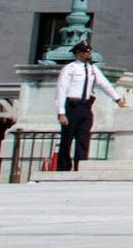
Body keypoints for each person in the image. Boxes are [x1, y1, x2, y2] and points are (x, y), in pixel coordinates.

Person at [53, 43, 124, 171]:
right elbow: (61, 90)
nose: (89, 55)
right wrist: (61, 112)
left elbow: (105, 85)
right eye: (86, 53)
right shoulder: (70, 69)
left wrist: (117, 99)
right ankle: (63, 167)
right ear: (78, 54)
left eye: (89, 52)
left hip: (85, 107)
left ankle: (81, 165)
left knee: (83, 138)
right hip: (72, 106)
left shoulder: (92, 69)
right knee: (67, 139)